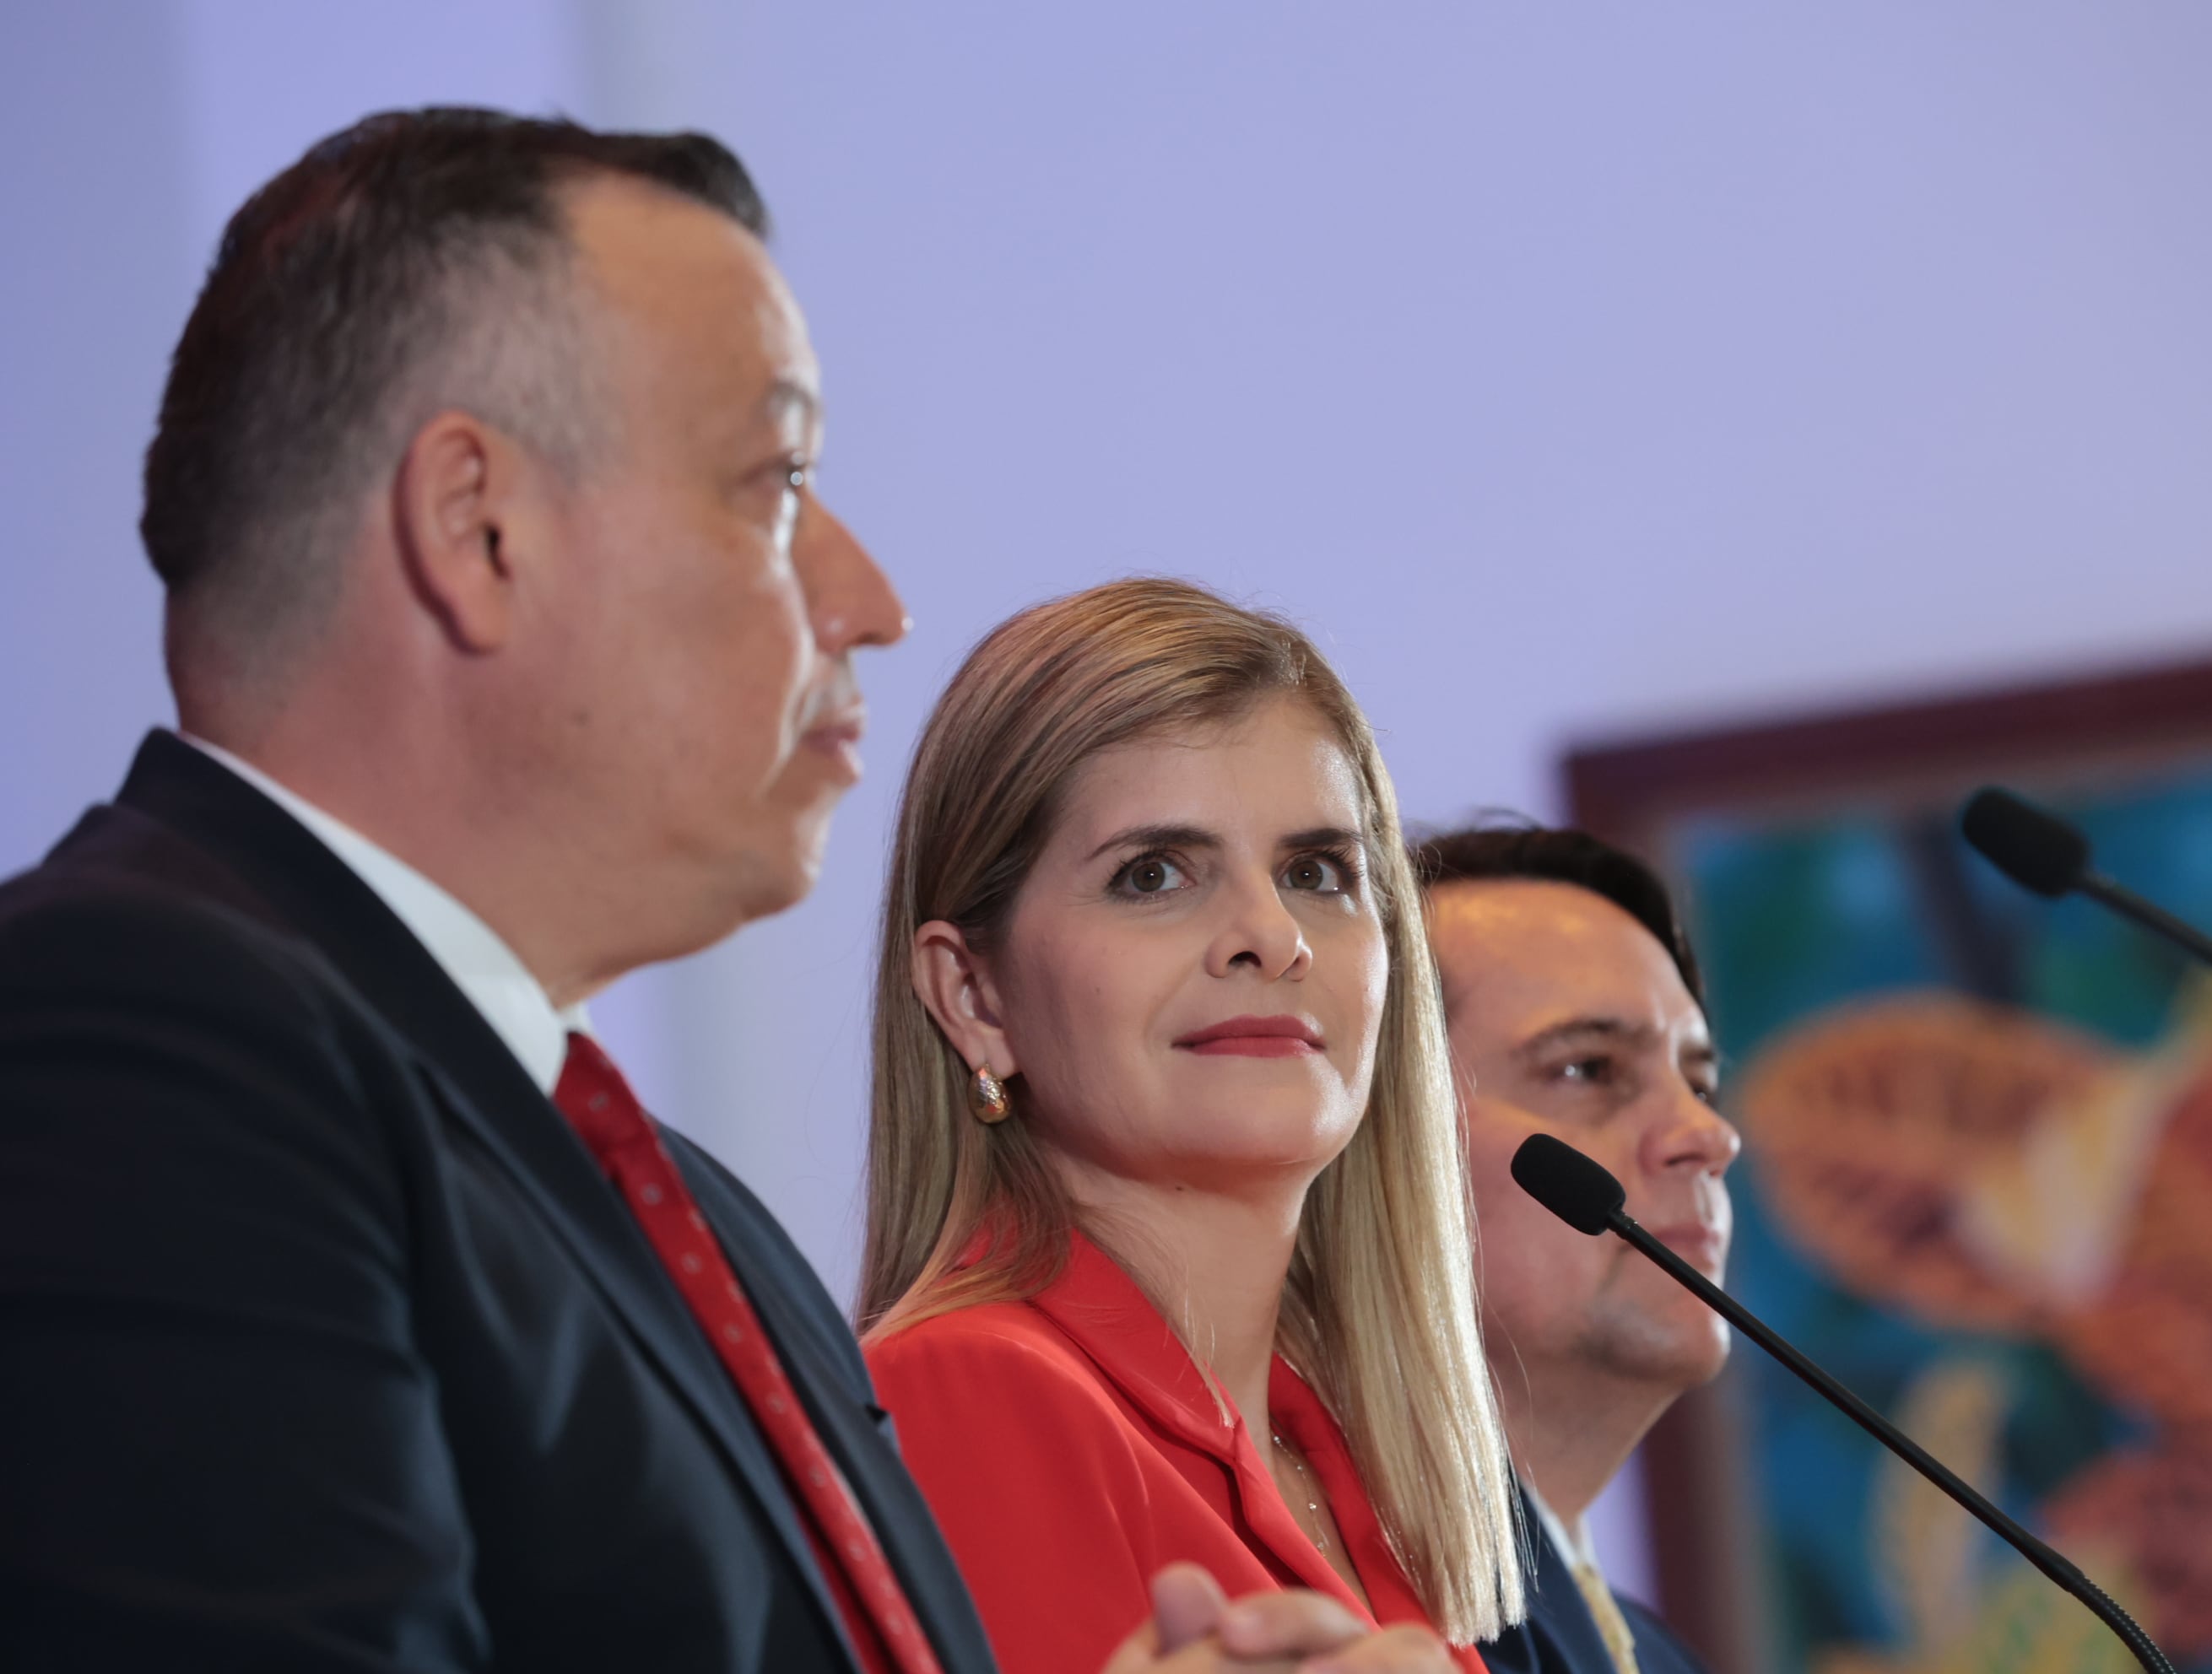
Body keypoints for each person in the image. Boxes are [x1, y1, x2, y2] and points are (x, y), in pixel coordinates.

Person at [0, 108, 1415, 1674]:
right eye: (776, 481)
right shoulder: (130, 1038)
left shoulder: (699, 1213)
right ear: (479, 529)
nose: (869, 602)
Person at [856, 580, 1525, 1674]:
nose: (1270, 935)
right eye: (1154, 875)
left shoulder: (1339, 1448)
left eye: (1317, 872)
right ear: (974, 996)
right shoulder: (967, 1391)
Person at [1412, 827, 1740, 1674]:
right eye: (1589, 1069)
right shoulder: (1332, 1613)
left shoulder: (1668, 1660)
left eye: (1699, 1082)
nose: (1709, 1134)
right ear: (1371, 1151)